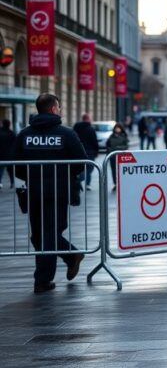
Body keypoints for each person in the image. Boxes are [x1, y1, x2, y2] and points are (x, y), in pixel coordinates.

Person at [12, 93, 87, 293]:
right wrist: (64, 175)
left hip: (34, 192)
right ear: (54, 109)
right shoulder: (66, 134)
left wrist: (31, 176)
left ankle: (44, 279)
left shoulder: (25, 135)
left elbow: (14, 165)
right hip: (58, 192)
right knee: (46, 236)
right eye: (59, 107)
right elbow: (81, 162)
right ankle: (70, 257)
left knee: (41, 235)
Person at [73, 113, 99, 190]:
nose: (91, 120)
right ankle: (86, 184)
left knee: (80, 167)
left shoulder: (76, 128)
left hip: (78, 151)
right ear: (87, 119)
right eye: (90, 118)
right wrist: (96, 151)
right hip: (90, 152)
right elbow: (94, 141)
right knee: (89, 168)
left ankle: (80, 181)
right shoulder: (91, 129)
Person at [106, 123, 129, 191]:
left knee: (121, 170)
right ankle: (115, 184)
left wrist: (117, 148)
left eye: (119, 128)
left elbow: (126, 146)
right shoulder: (111, 136)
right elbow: (108, 145)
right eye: (116, 128)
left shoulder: (124, 136)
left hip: (121, 156)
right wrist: (110, 151)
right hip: (112, 156)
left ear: (121, 129)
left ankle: (121, 183)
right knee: (113, 170)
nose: (117, 129)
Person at [0, 119, 16, 189]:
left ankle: (0, 183)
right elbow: (15, 145)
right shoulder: (11, 133)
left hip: (1, 155)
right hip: (10, 156)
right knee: (11, 171)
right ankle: (12, 183)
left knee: (0, 171)